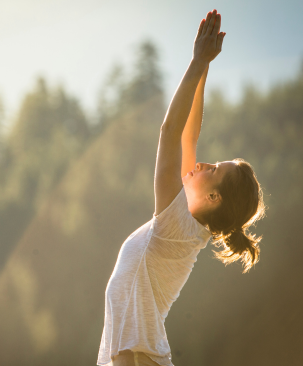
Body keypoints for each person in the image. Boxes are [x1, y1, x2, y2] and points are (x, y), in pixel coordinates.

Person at [97, 9, 266, 366]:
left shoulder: (177, 226)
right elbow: (189, 135)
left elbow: (170, 132)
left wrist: (196, 63)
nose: (202, 163)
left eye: (212, 169)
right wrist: (204, 68)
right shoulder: (187, 225)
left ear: (213, 197)